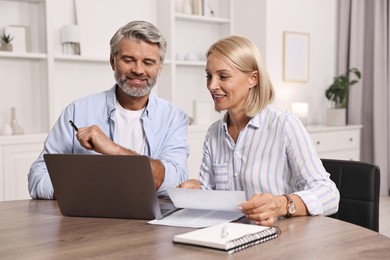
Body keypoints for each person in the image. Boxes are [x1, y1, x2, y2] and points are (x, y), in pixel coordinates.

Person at [179, 35, 340, 226]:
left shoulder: (284, 125)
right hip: (229, 239)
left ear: (253, 79)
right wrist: (197, 189)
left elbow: (329, 194)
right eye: (209, 76)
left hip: (280, 241)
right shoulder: (214, 133)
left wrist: (281, 204)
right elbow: (210, 192)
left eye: (223, 76)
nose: (212, 85)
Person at [28, 20, 189, 199]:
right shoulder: (77, 112)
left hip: (151, 222)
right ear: (113, 61)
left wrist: (111, 149)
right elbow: (38, 176)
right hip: (88, 220)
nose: (138, 70)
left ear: (159, 68)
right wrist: (89, 190)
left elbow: (174, 179)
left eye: (148, 62)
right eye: (128, 60)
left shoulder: (174, 117)